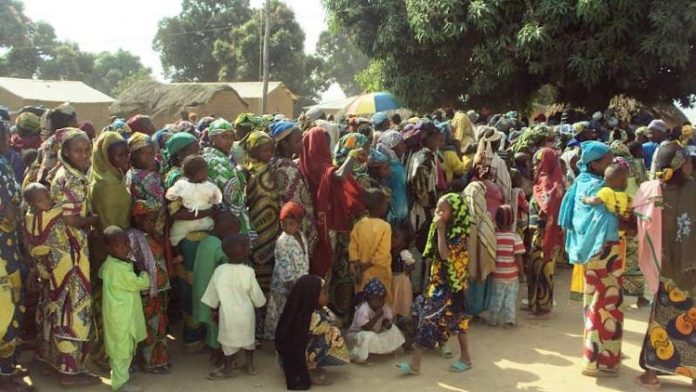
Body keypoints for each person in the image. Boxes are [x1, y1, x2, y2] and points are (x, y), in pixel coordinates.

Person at [635, 143, 696, 390]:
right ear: (681, 166)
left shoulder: (652, 192)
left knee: (662, 320)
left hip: (666, 271)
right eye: (689, 162)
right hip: (692, 271)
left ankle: (652, 374)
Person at [559, 141, 623, 376]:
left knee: (594, 303)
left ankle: (594, 355)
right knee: (606, 305)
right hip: (604, 251)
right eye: (609, 160)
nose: (613, 163)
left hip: (591, 251)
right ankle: (598, 359)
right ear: (595, 164)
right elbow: (614, 220)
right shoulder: (600, 189)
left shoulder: (582, 183)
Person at [47, 128, 101, 386]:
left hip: (63, 251)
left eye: (86, 149)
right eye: (77, 150)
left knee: (61, 304)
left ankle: (59, 361)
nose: (83, 155)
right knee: (74, 306)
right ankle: (69, 371)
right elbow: (72, 218)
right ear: (66, 151)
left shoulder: (65, 172)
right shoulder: (71, 178)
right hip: (71, 252)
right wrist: (94, 219)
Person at [397, 193, 473, 375]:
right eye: (437, 209)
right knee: (458, 319)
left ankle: (415, 364)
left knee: (428, 320)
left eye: (442, 210)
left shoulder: (458, 234)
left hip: (451, 285)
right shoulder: (444, 227)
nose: (438, 213)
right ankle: (466, 358)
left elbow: (445, 255)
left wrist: (440, 230)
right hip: (440, 283)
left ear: (454, 212)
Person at [299, 127, 366, 317]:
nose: (328, 147)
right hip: (324, 222)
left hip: (314, 222)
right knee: (324, 263)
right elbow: (339, 176)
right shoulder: (319, 165)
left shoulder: (305, 162)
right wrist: (352, 156)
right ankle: (319, 309)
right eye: (326, 143)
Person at [162, 132, 210, 350]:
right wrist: (205, 214)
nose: (198, 152)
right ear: (180, 154)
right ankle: (193, 337)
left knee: (200, 286)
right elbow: (174, 213)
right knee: (191, 288)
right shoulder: (176, 178)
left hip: (198, 238)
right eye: (193, 149)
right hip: (187, 240)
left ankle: (200, 332)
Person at [201, 235, 266, 380]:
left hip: (228, 315)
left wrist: (213, 310)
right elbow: (257, 296)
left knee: (228, 344)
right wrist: (260, 305)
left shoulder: (220, 271)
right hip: (246, 314)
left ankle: (228, 368)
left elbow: (212, 294)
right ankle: (250, 366)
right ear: (244, 252)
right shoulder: (248, 271)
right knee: (249, 341)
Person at [0, 122, 32, 392]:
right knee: (6, 308)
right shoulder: (1, 165)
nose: (8, 140)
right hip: (3, 250)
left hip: (6, 246)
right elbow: (11, 213)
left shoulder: (4, 163)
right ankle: (4, 374)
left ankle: (7, 366)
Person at [275, 275, 349, 389]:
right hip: (297, 358)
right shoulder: (314, 317)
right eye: (324, 293)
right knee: (333, 333)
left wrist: (325, 308)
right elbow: (338, 324)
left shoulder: (295, 310)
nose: (328, 296)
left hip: (287, 358)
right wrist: (327, 309)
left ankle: (309, 365)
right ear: (312, 295)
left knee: (325, 333)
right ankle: (310, 370)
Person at [99, 226, 150, 392]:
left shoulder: (109, 264)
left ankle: (122, 376)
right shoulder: (119, 269)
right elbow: (140, 283)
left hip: (118, 314)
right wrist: (144, 274)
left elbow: (101, 274)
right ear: (108, 248)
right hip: (121, 316)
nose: (125, 248)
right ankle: (120, 384)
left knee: (121, 347)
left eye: (126, 243)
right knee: (122, 349)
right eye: (118, 246)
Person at [127, 200, 171, 374]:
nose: (153, 224)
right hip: (146, 292)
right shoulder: (133, 237)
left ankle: (158, 358)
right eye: (150, 220)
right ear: (138, 220)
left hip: (158, 291)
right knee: (148, 327)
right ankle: (149, 361)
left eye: (154, 220)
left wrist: (153, 231)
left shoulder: (150, 235)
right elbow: (135, 264)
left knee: (158, 325)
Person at [192, 209, 240, 355]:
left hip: (200, 294)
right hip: (212, 296)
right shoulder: (219, 247)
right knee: (216, 325)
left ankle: (211, 348)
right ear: (227, 231)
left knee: (210, 326)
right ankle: (217, 355)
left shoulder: (205, 241)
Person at [241, 130, 281, 292]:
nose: (270, 154)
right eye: (265, 150)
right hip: (256, 221)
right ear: (253, 150)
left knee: (272, 256)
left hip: (273, 222)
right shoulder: (246, 170)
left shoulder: (273, 167)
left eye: (271, 150)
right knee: (258, 255)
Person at [527, 147, 565, 317]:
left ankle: (540, 305)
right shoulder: (554, 181)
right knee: (539, 269)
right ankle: (537, 302)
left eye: (538, 162)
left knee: (542, 268)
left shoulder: (549, 183)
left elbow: (546, 208)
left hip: (543, 234)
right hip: (546, 232)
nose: (535, 166)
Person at [264, 201, 310, 340]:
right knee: (280, 312)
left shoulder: (301, 236)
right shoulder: (283, 241)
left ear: (299, 223)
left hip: (300, 283)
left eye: (291, 224)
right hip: (285, 286)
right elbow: (284, 265)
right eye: (283, 223)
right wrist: (290, 285)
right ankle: (274, 340)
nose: (286, 227)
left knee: (293, 314)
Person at [271, 121, 318, 254]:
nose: (302, 143)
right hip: (294, 227)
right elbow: (295, 201)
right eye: (297, 141)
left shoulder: (276, 162)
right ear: (285, 144)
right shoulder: (288, 169)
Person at [202, 118, 250, 235]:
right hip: (228, 220)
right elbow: (234, 197)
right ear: (212, 138)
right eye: (224, 136)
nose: (229, 141)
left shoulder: (219, 157)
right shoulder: (217, 162)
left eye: (231, 136)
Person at [165, 155, 222, 247]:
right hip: (187, 226)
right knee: (176, 236)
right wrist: (208, 211)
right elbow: (175, 213)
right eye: (206, 170)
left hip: (203, 225)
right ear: (200, 173)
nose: (208, 173)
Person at [346, 278, 405, 364]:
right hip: (357, 335)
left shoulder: (384, 307)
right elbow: (365, 328)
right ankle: (360, 357)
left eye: (383, 299)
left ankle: (388, 350)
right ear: (370, 298)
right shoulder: (363, 309)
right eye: (379, 299)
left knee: (394, 329)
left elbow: (386, 321)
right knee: (367, 336)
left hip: (375, 332)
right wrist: (376, 316)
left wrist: (387, 323)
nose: (382, 302)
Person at [349, 188, 393, 302]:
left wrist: (358, 267)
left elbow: (352, 249)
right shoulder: (385, 227)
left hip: (361, 275)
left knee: (363, 302)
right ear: (380, 206)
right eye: (385, 204)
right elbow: (382, 254)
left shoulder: (359, 224)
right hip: (379, 274)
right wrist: (367, 265)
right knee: (381, 304)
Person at [489, 205, 525, 328]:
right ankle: (509, 320)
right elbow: (519, 257)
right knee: (510, 298)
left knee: (496, 298)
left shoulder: (493, 237)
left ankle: (493, 319)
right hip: (512, 276)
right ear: (512, 220)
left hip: (496, 274)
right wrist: (522, 273)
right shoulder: (515, 237)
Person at [376, 130, 409, 225]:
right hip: (396, 217)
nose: (404, 146)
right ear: (392, 146)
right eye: (401, 143)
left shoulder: (386, 164)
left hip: (391, 215)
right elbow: (399, 197)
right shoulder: (394, 169)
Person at [125, 133, 165, 207]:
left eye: (151, 152)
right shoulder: (143, 177)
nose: (149, 156)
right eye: (144, 153)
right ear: (134, 155)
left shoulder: (131, 172)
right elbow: (162, 198)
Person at [390, 225, 416, 317]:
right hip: (391, 279)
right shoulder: (387, 252)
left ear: (403, 243)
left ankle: (402, 317)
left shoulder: (404, 253)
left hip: (401, 280)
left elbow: (412, 264)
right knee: (392, 300)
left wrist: (408, 269)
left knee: (402, 300)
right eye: (391, 236)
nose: (392, 239)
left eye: (395, 237)